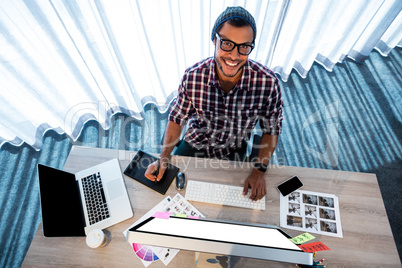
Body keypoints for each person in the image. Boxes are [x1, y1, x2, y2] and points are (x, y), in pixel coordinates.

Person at [145, 6, 283, 201]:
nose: (234, 56)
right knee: (169, 196)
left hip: (233, 148)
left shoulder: (268, 83)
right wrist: (164, 157)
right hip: (195, 143)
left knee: (231, 202)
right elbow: (177, 119)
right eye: (226, 43)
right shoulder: (193, 76)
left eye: (244, 46)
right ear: (214, 40)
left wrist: (259, 171)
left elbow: (271, 130)